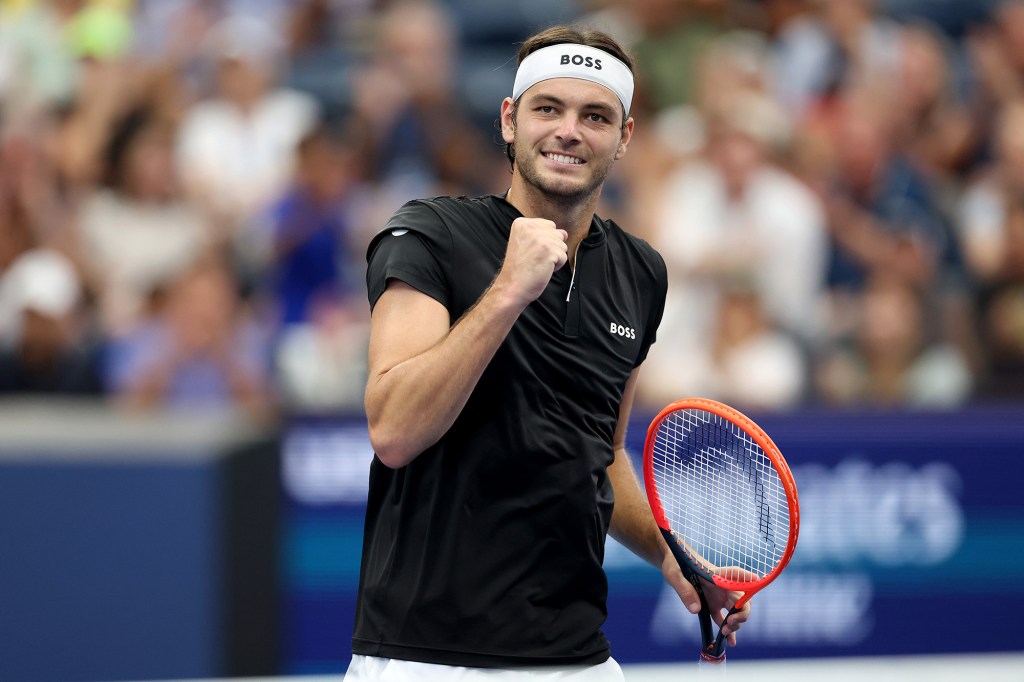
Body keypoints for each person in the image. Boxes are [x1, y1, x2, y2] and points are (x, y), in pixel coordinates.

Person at [345, 25, 750, 682]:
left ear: (624, 139)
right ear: (510, 121)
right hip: (424, 657)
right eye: (548, 108)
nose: (569, 130)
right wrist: (509, 291)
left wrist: (672, 555)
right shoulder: (429, 236)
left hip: (576, 657)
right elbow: (393, 430)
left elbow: (602, 453)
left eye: (595, 116)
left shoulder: (641, 273)